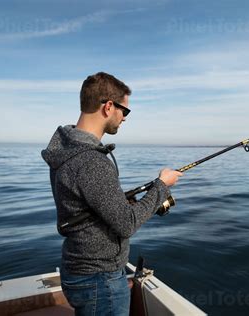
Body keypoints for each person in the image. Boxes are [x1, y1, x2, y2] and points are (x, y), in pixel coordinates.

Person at [41, 72, 182, 315]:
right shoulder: (91, 161)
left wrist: (122, 201)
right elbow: (127, 224)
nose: (125, 118)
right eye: (125, 111)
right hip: (100, 278)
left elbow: (87, 205)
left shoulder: (67, 150)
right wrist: (161, 185)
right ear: (108, 106)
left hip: (80, 270)